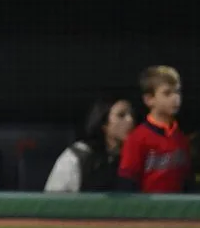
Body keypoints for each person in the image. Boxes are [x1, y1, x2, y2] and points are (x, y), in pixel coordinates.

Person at [118, 65, 191, 193]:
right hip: (149, 210)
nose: (175, 98)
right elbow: (127, 183)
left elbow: (186, 180)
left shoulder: (180, 137)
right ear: (149, 99)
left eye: (178, 92)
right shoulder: (137, 138)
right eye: (167, 93)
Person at [44, 96, 134, 192]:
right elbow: (54, 200)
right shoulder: (78, 155)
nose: (130, 120)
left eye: (132, 115)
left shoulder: (133, 157)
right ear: (104, 123)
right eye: (121, 115)